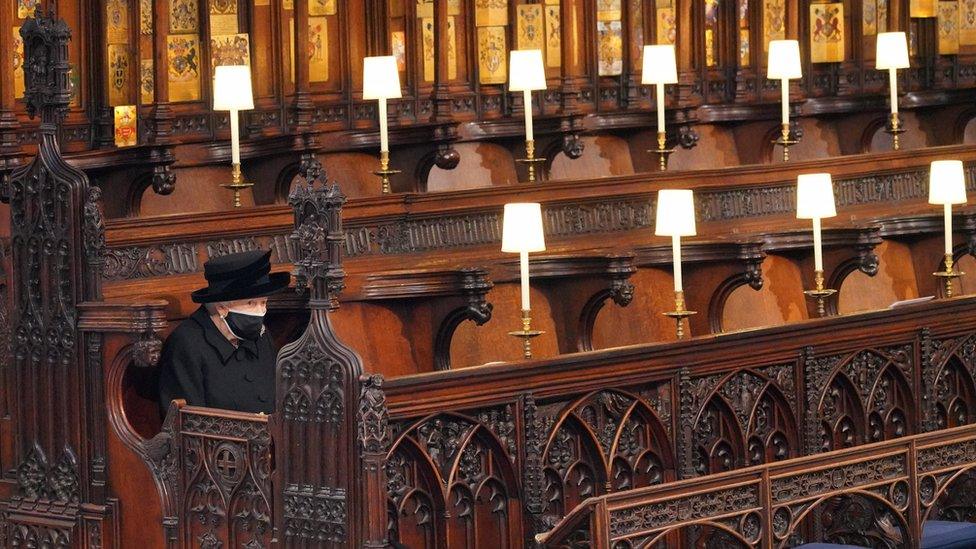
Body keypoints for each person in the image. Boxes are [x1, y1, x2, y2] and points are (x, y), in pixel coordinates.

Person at [158, 249, 290, 416]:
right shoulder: (186, 345)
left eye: (263, 302)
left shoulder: (261, 336)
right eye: (250, 303)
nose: (260, 311)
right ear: (221, 307)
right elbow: (186, 425)